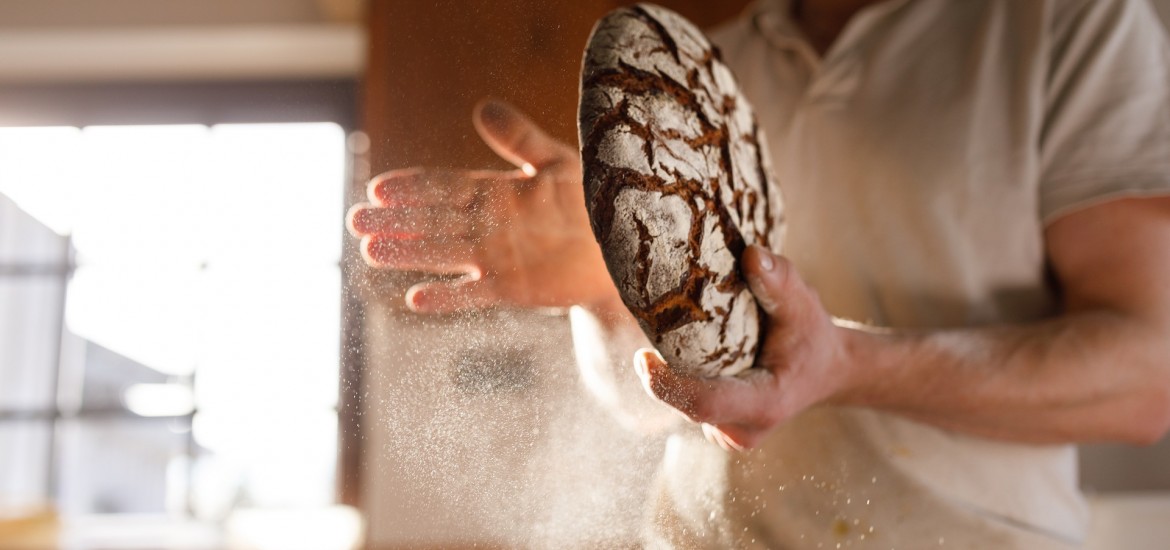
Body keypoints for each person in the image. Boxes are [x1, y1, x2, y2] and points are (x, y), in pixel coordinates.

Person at [348, 0, 1170, 547]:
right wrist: (608, 287)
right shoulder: (698, 72)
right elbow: (659, 408)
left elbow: (1146, 379)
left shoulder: (1068, 26)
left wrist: (846, 366)